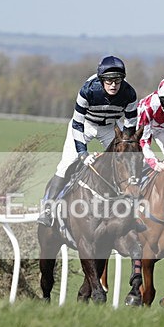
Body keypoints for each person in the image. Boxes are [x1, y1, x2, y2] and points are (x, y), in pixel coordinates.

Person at [37, 55, 138, 226]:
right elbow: (77, 123)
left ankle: (129, 207)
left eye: (117, 80)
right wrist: (83, 154)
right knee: (67, 163)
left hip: (109, 127)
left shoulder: (129, 94)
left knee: (125, 162)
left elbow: (129, 128)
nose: (113, 85)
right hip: (85, 125)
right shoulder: (88, 90)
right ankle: (47, 207)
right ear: (101, 79)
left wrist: (125, 147)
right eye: (108, 80)